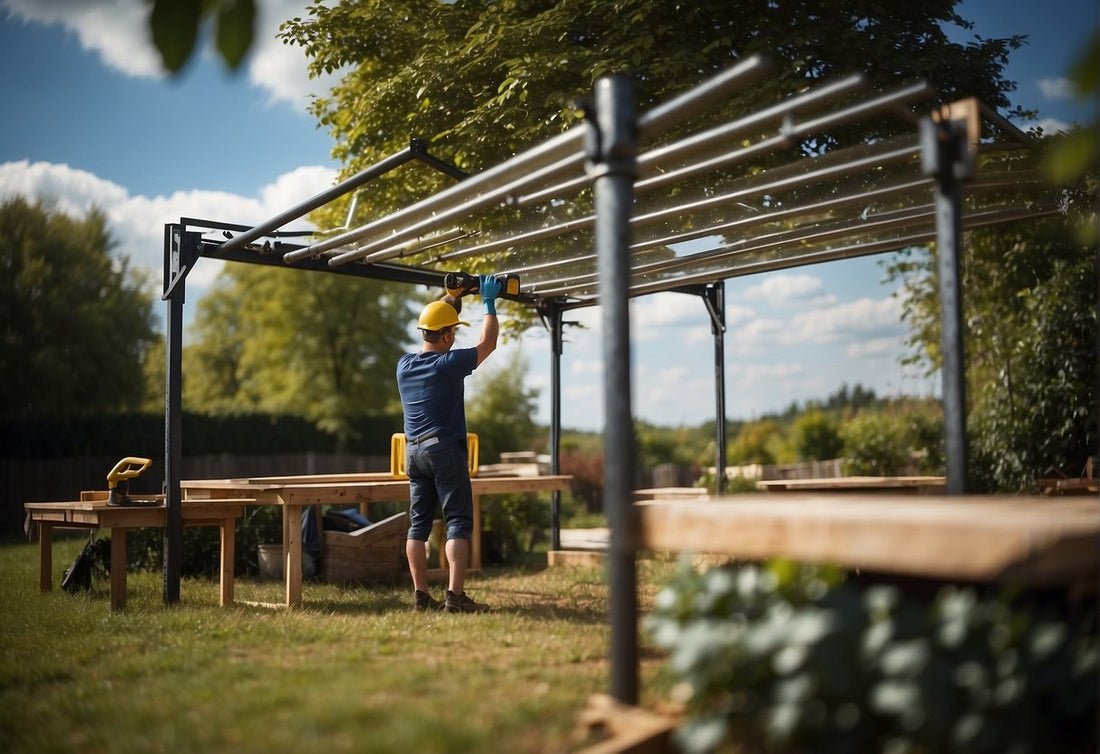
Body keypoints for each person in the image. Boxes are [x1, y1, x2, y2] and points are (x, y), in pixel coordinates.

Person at [396, 273, 503, 613]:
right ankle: (455, 598)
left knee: (418, 525)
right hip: (443, 450)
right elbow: (488, 343)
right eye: (453, 332)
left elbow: (439, 318)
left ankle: (421, 597)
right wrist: (488, 302)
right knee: (457, 520)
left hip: (413, 452)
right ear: (443, 336)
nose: (454, 337)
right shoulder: (449, 364)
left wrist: (452, 296)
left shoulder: (404, 365)